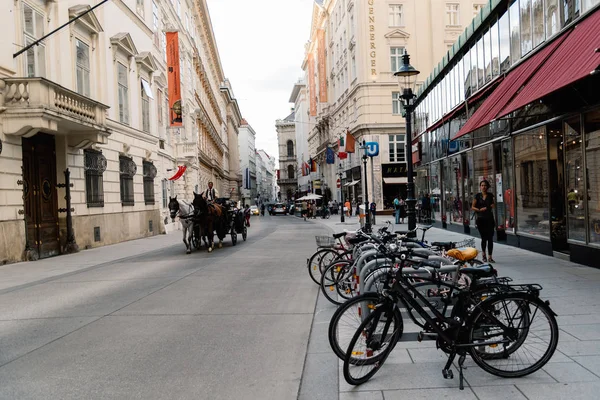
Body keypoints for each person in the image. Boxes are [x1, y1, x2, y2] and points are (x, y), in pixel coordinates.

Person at [472, 180, 496, 263]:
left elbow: (493, 205)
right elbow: (473, 206)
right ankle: (483, 255)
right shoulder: (477, 196)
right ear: (480, 187)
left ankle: (490, 256)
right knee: (484, 238)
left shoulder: (490, 195)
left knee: (490, 238)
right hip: (481, 219)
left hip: (489, 219)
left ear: (487, 187)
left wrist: (487, 208)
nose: (483, 187)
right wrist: (479, 210)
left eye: (485, 185)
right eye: (482, 185)